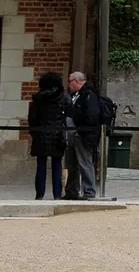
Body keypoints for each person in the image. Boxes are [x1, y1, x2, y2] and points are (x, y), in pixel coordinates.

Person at [62, 71, 101, 200]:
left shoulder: (88, 95)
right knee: (72, 163)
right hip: (75, 133)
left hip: (83, 133)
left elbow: (91, 116)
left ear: (75, 81)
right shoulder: (79, 95)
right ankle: (71, 191)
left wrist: (78, 121)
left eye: (70, 81)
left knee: (84, 162)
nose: (69, 85)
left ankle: (89, 191)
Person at [27, 72, 67, 200]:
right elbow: (69, 114)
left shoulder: (38, 98)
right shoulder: (63, 97)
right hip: (58, 134)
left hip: (41, 134)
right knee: (57, 164)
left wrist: (33, 131)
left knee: (41, 165)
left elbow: (32, 117)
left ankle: (39, 194)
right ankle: (57, 194)